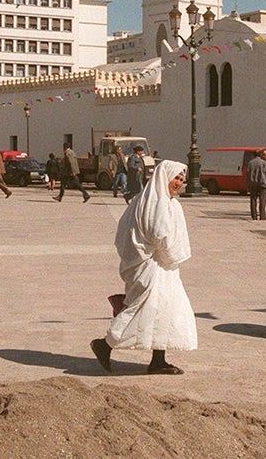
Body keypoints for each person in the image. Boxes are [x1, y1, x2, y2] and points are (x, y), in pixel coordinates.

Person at [90, 160, 197, 375]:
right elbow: (158, 235)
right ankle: (105, 344)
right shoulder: (154, 202)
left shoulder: (159, 201)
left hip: (162, 267)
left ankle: (158, 359)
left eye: (181, 179)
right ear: (164, 177)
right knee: (142, 308)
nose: (179, 183)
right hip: (152, 266)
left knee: (165, 310)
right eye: (176, 178)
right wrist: (170, 251)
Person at [246, 148, 266, 220]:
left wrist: (248, 184)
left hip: (253, 184)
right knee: (262, 201)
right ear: (260, 154)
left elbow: (247, 174)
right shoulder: (263, 163)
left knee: (253, 200)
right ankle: (262, 215)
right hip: (262, 184)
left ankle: (254, 216)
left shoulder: (250, 163)